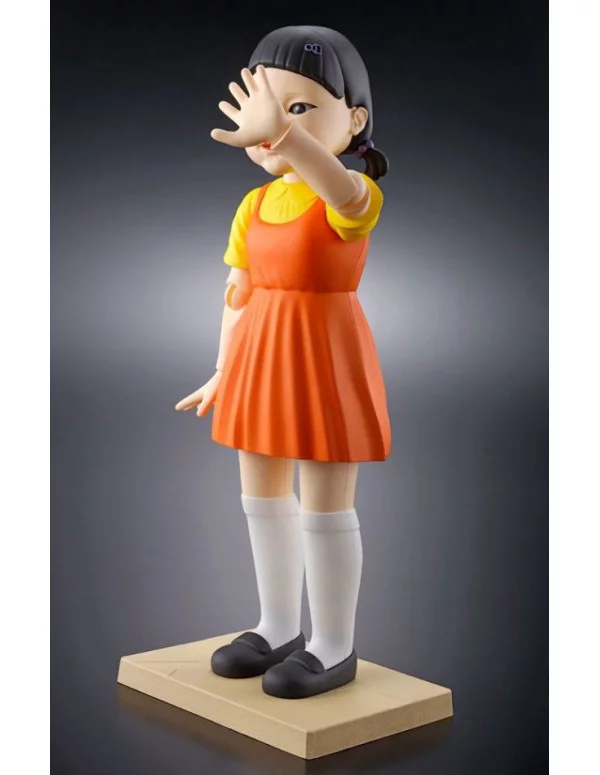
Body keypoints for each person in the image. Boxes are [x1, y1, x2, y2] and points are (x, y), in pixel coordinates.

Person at [175, 25, 391, 699]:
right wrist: (222, 368)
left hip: (326, 357)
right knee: (261, 493)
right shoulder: (254, 204)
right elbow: (237, 293)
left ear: (354, 120)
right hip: (260, 358)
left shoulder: (351, 191)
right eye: (264, 108)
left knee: (324, 502)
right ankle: (276, 625)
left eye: (298, 107)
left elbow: (342, 195)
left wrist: (287, 136)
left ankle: (334, 643)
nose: (272, 127)